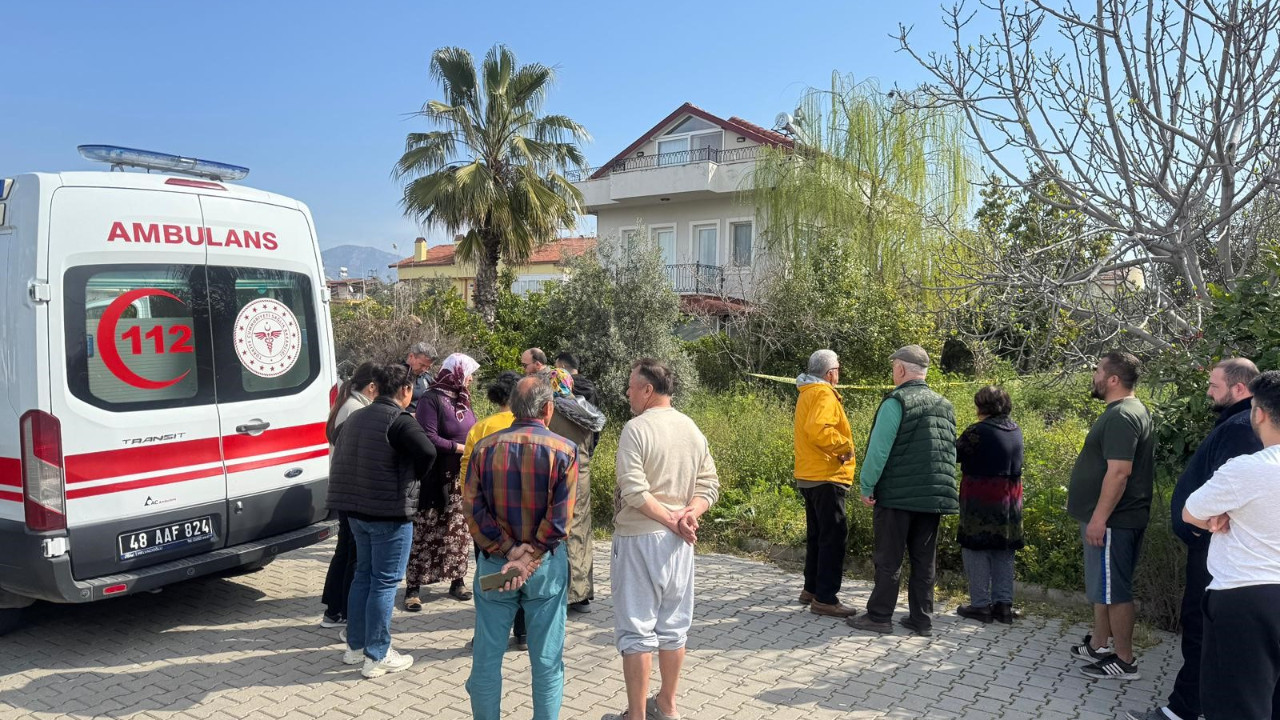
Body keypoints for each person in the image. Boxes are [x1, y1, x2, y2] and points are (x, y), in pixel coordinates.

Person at [1127, 358, 1261, 720]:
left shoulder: (1241, 428)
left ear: (1239, 388)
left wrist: (1206, 522)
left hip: (1214, 548)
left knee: (1201, 627)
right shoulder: (1237, 422)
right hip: (1213, 545)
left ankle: (1183, 709)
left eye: (1214, 386)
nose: (1207, 392)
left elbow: (1232, 491)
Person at [606, 358, 719, 720]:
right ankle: (667, 705)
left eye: (631, 385)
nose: (627, 392)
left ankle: (637, 715)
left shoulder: (635, 429)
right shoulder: (691, 428)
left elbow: (634, 490)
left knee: (637, 630)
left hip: (641, 538)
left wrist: (673, 517)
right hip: (680, 542)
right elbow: (709, 485)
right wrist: (689, 514)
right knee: (673, 628)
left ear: (648, 390)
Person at [463, 375, 579, 720]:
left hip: (494, 568)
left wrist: (508, 549)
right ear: (548, 408)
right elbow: (561, 521)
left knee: (486, 657)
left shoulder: (484, 448)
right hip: (545, 570)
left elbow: (472, 510)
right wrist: (530, 555)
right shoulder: (564, 450)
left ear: (513, 406)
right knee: (546, 662)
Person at [326, 364, 437, 678]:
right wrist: (413, 477)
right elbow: (427, 452)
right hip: (388, 513)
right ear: (404, 390)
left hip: (355, 511)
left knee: (364, 575)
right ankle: (377, 655)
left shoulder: (356, 416)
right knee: (385, 583)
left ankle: (356, 648)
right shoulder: (399, 420)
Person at [1182, 370, 1280, 719]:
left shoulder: (1248, 469)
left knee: (1236, 706)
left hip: (1245, 598)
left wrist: (1220, 515)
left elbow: (1191, 511)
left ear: (1260, 413)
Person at [847, 345, 957, 637]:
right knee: (924, 560)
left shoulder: (896, 402)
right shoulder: (944, 404)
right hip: (933, 497)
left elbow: (879, 450)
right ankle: (921, 619)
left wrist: (867, 485)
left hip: (897, 496)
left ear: (901, 369)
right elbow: (948, 452)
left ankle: (880, 616)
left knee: (889, 557)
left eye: (894, 365)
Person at [1065, 351, 1154, 681]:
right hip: (1111, 519)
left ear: (1113, 379)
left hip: (1114, 521)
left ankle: (1125, 660)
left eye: (1098, 371)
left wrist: (1100, 518)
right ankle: (1101, 644)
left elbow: (1119, 473)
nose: (1094, 376)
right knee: (1105, 588)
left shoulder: (1121, 415)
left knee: (1116, 591)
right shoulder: (1126, 410)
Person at [405, 353, 479, 609]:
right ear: (456, 372)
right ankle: (413, 588)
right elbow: (428, 436)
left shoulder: (464, 400)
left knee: (457, 531)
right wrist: (460, 448)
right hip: (436, 477)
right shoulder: (431, 398)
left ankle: (457, 581)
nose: (470, 379)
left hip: (461, 477)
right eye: (468, 373)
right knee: (426, 529)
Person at [793, 349, 858, 618]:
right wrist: (844, 448)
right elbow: (819, 430)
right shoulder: (823, 393)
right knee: (833, 537)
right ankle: (826, 598)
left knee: (818, 535)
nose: (839, 374)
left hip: (810, 474)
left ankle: (811, 588)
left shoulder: (808, 392)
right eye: (838, 369)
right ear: (830, 373)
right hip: (826, 474)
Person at [954, 385, 1025, 625]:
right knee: (1004, 549)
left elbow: (955, 453)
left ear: (981, 406)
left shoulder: (978, 431)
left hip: (981, 496)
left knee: (976, 548)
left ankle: (980, 605)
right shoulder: (1016, 430)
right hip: (1011, 497)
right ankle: (1003, 605)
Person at [320, 361, 379, 629]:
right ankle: (345, 610)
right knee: (353, 554)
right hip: (352, 491)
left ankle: (334, 610)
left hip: (344, 489)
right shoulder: (356, 410)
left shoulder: (348, 405)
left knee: (345, 549)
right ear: (371, 386)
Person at [546, 368, 606, 614]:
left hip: (554, 473)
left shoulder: (550, 409)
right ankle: (581, 594)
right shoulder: (586, 410)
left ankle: (558, 591)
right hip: (581, 475)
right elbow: (592, 445)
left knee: (556, 529)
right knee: (581, 531)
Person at [403, 342, 437, 415]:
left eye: (428, 367)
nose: (424, 369)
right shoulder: (395, 375)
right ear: (411, 356)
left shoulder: (427, 378)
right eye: (421, 365)